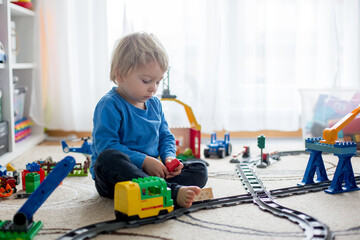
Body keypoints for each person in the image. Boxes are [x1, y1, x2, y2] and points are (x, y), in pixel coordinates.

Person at [90, 32, 208, 208]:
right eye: (146, 81)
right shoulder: (109, 105)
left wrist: (169, 158)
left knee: (200, 169)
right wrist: (145, 161)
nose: (153, 88)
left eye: (158, 82)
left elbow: (165, 136)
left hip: (152, 173)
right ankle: (171, 191)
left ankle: (159, 187)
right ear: (120, 75)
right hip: (120, 178)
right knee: (108, 159)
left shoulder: (154, 104)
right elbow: (106, 146)